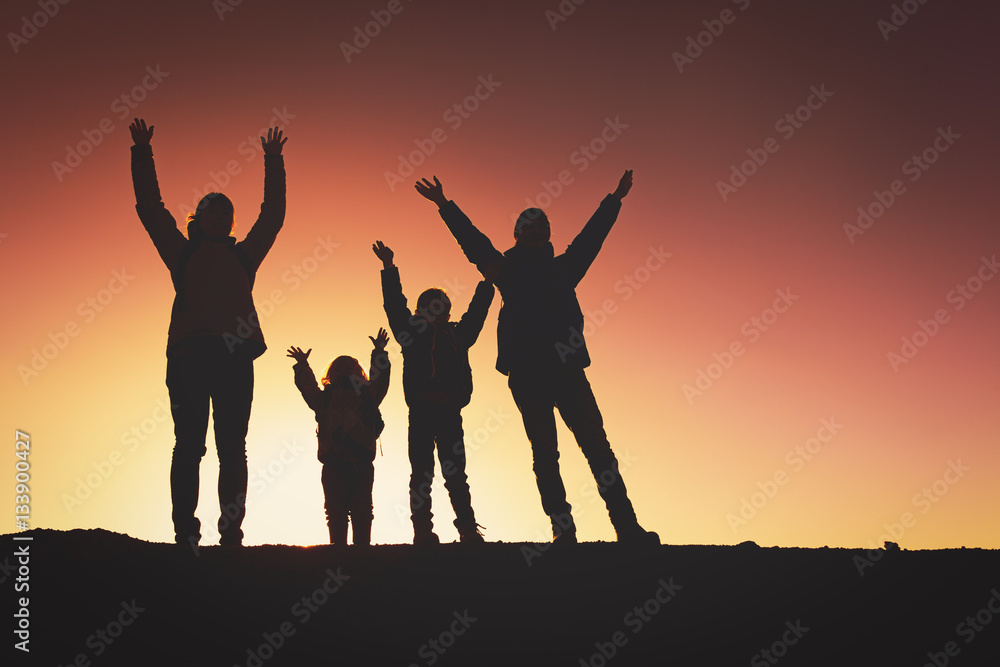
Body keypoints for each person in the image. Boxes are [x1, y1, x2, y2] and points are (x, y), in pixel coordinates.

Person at [414, 170, 658, 546]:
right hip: (529, 372)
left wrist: (614, 199)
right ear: (517, 233)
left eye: (542, 224)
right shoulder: (506, 271)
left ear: (548, 233)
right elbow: (474, 243)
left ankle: (626, 527)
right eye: (528, 225)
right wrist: (445, 205)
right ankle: (563, 528)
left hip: (568, 369)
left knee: (597, 446)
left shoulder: (564, 268)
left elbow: (591, 239)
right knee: (546, 451)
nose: (535, 229)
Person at [129, 117, 287, 548]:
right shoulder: (181, 252)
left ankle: (231, 533)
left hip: (235, 356)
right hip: (189, 357)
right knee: (189, 446)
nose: (219, 214)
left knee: (232, 448)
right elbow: (150, 208)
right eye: (211, 208)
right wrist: (142, 152)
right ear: (198, 218)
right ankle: (185, 532)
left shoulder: (244, 257)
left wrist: (273, 161)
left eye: (225, 210)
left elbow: (272, 216)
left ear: (231, 223)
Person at [372, 240, 494, 545]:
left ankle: (467, 528)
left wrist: (487, 284)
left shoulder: (457, 335)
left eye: (444, 308)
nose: (439, 312)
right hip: (422, 414)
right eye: (432, 307)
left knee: (456, 476)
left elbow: (476, 315)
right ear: (420, 310)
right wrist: (389, 268)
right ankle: (422, 531)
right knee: (422, 474)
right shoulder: (409, 333)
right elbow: (394, 305)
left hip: (451, 413)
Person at [287, 330, 391, 546]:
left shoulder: (367, 396)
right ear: (332, 374)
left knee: (362, 507)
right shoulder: (325, 398)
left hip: (361, 462)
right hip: (334, 462)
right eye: (340, 367)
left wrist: (379, 352)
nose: (345, 371)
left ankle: (361, 550)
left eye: (350, 367)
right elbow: (308, 389)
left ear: (358, 372)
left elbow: (380, 379)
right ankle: (338, 550)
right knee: (336, 509)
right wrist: (303, 366)